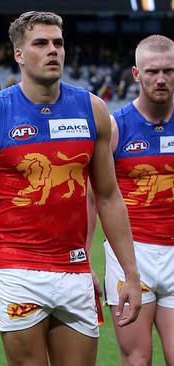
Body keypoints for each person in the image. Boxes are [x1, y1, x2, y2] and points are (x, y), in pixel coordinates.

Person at [0, 11, 142, 366]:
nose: (53, 51)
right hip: (18, 270)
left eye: (58, 43)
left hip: (75, 269)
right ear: (18, 54)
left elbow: (109, 197)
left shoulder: (92, 109)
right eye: (40, 43)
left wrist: (131, 273)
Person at [105, 34, 174, 366]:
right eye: (152, 72)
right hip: (131, 254)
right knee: (137, 359)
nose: (161, 78)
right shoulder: (116, 127)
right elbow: (96, 198)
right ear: (136, 74)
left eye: (169, 70)